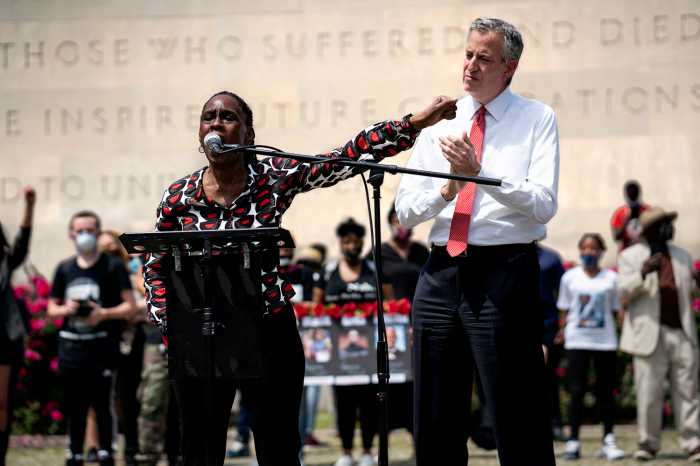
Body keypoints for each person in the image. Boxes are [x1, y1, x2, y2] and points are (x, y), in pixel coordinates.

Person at [142, 91, 457, 466]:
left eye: (227, 117)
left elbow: (345, 157)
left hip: (267, 332)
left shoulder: (272, 178)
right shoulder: (178, 197)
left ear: (248, 134)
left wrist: (411, 124)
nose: (215, 124)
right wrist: (169, 321)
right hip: (203, 335)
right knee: (200, 449)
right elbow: (154, 264)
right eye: (208, 117)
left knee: (278, 447)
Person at [395, 17, 559, 465]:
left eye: (483, 58)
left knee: (516, 416)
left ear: (508, 67)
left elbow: (544, 203)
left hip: (503, 274)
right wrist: (448, 188)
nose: (470, 65)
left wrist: (479, 175)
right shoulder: (439, 124)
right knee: (434, 419)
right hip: (440, 275)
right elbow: (405, 211)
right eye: (467, 54)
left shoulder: (537, 119)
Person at [47, 211, 138, 466]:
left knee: (102, 403)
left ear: (98, 234)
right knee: (75, 404)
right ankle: (74, 452)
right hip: (71, 347)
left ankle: (106, 451)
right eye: (79, 231)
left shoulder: (113, 266)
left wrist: (102, 314)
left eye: (90, 230)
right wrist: (68, 308)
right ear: (71, 234)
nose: (84, 235)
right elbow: (51, 309)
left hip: (102, 346)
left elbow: (129, 306)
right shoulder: (65, 269)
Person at [618, 207, 700, 462]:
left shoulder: (682, 256)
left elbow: (690, 292)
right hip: (649, 335)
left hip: (682, 332)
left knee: (688, 391)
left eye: (669, 224)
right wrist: (642, 273)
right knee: (649, 393)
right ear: (651, 230)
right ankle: (648, 444)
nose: (670, 228)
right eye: (664, 224)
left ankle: (693, 442)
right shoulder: (630, 257)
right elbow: (622, 293)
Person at [313, 218, 393, 466]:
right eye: (346, 242)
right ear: (340, 243)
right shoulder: (328, 272)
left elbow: (390, 306)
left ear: (361, 244)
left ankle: (368, 451)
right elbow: (317, 308)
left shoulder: (374, 271)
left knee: (370, 401)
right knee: (344, 402)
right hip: (339, 351)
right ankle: (346, 452)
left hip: (370, 350)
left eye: (355, 242)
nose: (351, 246)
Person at [556, 233, 625, 460]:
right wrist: (562, 331)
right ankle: (573, 441)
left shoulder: (611, 279)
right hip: (577, 341)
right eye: (585, 248)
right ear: (579, 250)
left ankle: (608, 440)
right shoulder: (570, 277)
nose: (589, 252)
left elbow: (617, 311)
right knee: (576, 391)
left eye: (594, 248)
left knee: (605, 392)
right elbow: (564, 308)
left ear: (601, 251)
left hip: (604, 342)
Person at [98, 230, 145, 466]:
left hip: (133, 342)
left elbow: (143, 304)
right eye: (105, 250)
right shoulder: (100, 275)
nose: (111, 254)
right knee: (113, 398)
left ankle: (132, 449)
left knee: (130, 396)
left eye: (114, 249)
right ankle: (110, 446)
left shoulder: (132, 272)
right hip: (105, 341)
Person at [0, 186, 35, 466]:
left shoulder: (4, 262)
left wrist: (29, 207)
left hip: (3, 338)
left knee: (1, 402)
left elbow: (21, 246)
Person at [537, 243, 566, 440]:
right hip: (514, 325)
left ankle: (554, 423)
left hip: (547, 326)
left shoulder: (550, 258)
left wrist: (563, 327)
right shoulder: (506, 256)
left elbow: (564, 295)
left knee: (548, 379)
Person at [610, 180, 649, 251]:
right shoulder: (619, 213)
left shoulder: (648, 210)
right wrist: (625, 221)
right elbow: (616, 237)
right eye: (630, 192)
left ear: (639, 193)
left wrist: (644, 220)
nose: (632, 194)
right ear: (625, 194)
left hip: (645, 249)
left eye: (635, 191)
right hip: (626, 252)